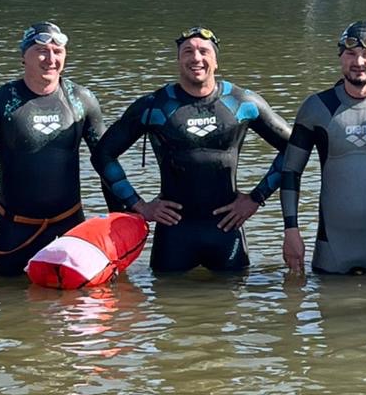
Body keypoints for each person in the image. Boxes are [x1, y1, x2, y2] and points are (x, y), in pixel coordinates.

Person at [95, 26, 291, 274]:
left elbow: (294, 148)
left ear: (215, 61)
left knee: (232, 306)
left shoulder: (242, 103)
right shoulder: (154, 106)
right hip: (174, 232)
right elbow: (103, 154)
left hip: (226, 228)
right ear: (178, 60)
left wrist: (256, 198)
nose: (196, 58)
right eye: (187, 51)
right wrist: (140, 206)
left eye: (203, 51)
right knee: (168, 302)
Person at [0, 20, 111, 280]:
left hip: (70, 228)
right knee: (6, 309)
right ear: (24, 56)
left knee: (77, 312)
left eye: (57, 51)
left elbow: (106, 163)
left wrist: (119, 221)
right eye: (41, 50)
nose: (50, 58)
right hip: (14, 231)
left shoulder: (80, 100)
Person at [280, 20, 366, 275]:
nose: (359, 62)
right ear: (340, 57)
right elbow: (291, 172)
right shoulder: (316, 108)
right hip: (332, 251)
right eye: (351, 54)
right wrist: (291, 230)